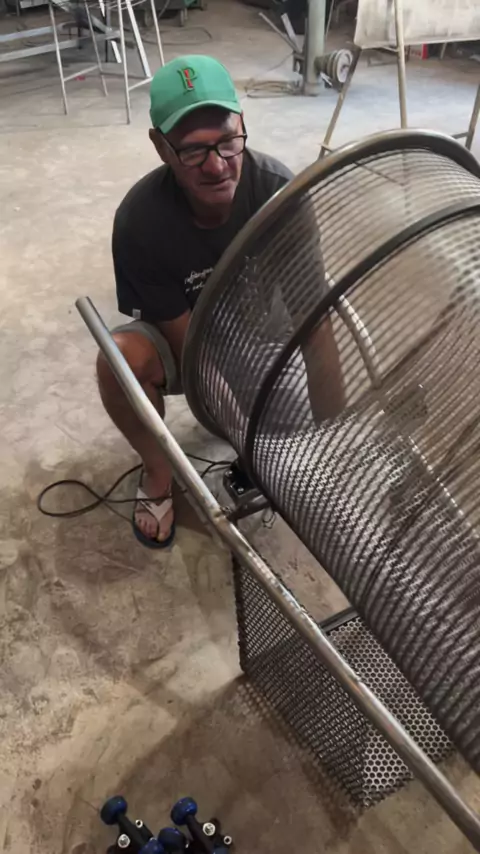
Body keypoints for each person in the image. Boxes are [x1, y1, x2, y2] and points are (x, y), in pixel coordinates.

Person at [96, 54, 296, 549]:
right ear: (161, 147)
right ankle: (158, 472)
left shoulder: (279, 193)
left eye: (227, 141)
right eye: (192, 150)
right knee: (119, 362)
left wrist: (334, 436)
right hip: (189, 339)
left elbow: (319, 318)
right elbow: (194, 350)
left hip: (260, 335)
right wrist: (244, 436)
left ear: (242, 124)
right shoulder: (141, 222)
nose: (217, 165)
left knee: (302, 427)